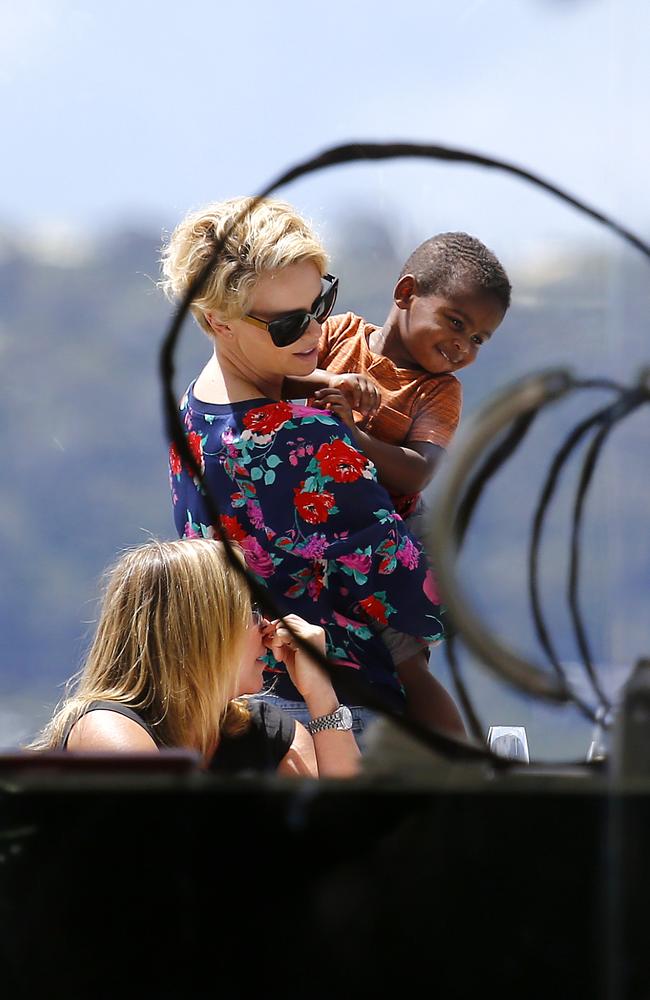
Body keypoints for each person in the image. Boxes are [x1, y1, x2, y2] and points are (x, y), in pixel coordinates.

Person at [160, 196, 463, 742]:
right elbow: (420, 598)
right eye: (286, 325)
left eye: (321, 304)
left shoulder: (192, 412)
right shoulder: (307, 438)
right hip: (339, 717)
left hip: (237, 713)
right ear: (216, 321)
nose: (314, 334)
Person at [283, 231, 511, 732]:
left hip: (399, 536)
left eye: (478, 339)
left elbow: (418, 468)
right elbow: (278, 378)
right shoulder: (339, 334)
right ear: (406, 293)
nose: (462, 345)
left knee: (406, 665)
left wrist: (352, 434)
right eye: (456, 322)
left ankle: (461, 772)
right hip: (336, 534)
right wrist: (330, 383)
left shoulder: (436, 390)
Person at [27, 538, 360, 778]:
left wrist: (320, 693)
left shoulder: (264, 731)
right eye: (251, 610)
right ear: (202, 630)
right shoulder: (108, 729)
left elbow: (354, 831)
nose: (268, 626)